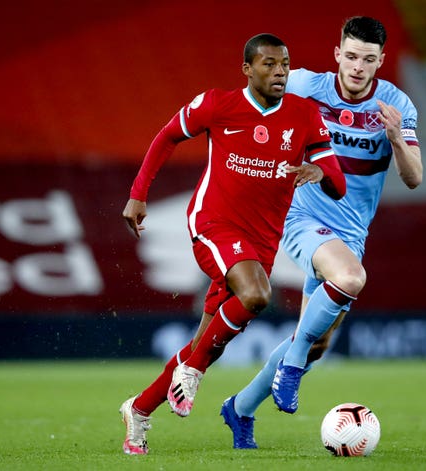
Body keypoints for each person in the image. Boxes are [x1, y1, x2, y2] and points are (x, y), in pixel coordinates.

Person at [118, 33, 346, 455]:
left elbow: (339, 183)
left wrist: (320, 174)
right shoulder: (217, 105)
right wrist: (138, 193)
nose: (280, 72)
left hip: (262, 240)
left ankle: (140, 409)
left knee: (206, 343)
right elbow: (167, 135)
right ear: (247, 69)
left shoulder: (305, 114)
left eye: (285, 64)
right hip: (213, 224)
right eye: (269, 64)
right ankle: (192, 371)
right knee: (257, 294)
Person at [219, 16, 423, 449]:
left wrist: (397, 140)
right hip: (300, 217)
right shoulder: (304, 85)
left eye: (368, 60)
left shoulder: (396, 105)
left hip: (351, 233)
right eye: (350, 56)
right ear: (337, 55)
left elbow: (414, 178)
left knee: (316, 342)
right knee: (350, 279)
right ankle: (290, 369)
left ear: (380, 61)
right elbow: (248, 103)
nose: (357, 67)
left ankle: (239, 408)